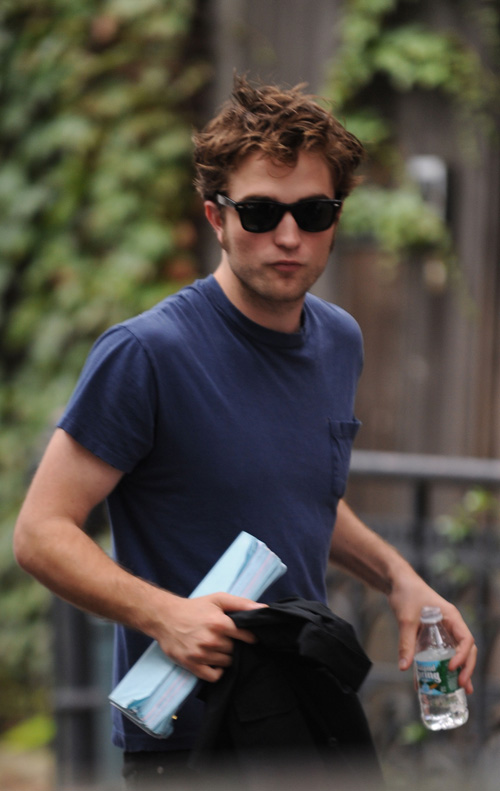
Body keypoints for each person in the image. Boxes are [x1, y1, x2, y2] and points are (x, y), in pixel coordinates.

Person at [13, 76, 476, 786]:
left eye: (313, 212)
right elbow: (40, 532)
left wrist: (400, 579)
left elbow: (297, 494)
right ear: (216, 217)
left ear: (336, 217)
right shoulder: (147, 353)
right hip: (190, 743)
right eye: (260, 212)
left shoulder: (339, 340)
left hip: (307, 719)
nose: (288, 237)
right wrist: (165, 615)